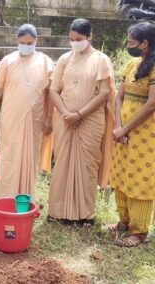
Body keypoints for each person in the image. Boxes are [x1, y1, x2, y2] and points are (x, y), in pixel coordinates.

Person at [48, 18, 115, 226]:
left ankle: (86, 214)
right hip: (64, 119)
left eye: (79, 39)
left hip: (90, 120)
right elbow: (53, 90)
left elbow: (104, 94)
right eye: (71, 39)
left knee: (87, 165)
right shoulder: (64, 59)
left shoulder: (101, 59)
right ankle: (58, 211)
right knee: (62, 163)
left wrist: (79, 115)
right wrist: (67, 114)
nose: (74, 42)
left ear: (89, 37)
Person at [0, 23, 54, 199]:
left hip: (36, 118)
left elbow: (50, 93)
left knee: (30, 158)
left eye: (30, 42)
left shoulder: (45, 61)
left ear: (36, 41)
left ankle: (26, 197)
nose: (26, 45)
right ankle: (4, 197)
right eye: (23, 42)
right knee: (9, 155)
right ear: (17, 41)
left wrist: (49, 118)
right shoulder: (7, 61)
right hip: (11, 116)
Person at [107, 22, 155, 246]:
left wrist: (125, 128)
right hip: (123, 132)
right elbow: (118, 96)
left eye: (131, 42)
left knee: (140, 178)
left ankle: (139, 231)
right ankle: (123, 221)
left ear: (145, 44)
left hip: (146, 134)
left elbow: (152, 104)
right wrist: (119, 126)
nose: (129, 46)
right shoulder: (131, 64)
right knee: (121, 173)